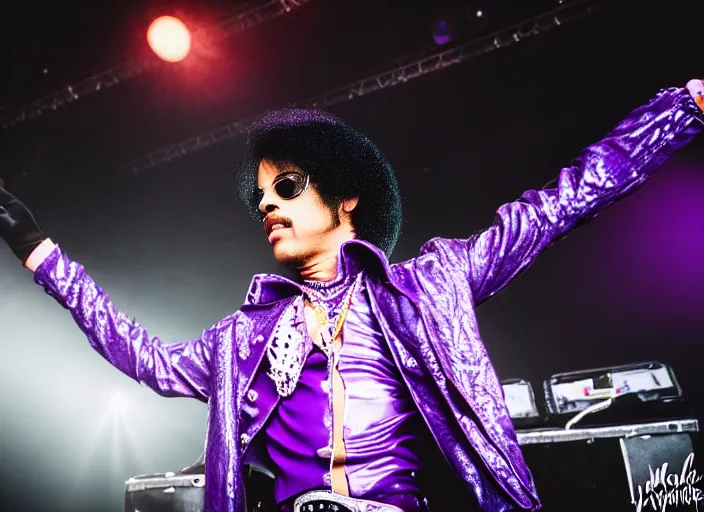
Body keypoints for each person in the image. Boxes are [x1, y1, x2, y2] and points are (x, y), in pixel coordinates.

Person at [1, 80, 703, 512]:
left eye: (288, 186)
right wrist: (41, 253)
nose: (267, 205)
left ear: (345, 195)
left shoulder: (432, 284)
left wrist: (682, 108)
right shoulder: (244, 338)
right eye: (260, 196)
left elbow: (560, 203)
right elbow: (147, 357)